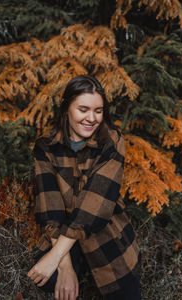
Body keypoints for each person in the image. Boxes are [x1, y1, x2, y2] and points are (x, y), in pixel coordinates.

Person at [28, 75, 141, 300]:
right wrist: (65, 266)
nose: (92, 118)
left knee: (123, 285)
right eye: (83, 109)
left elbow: (95, 207)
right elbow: (49, 207)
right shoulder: (45, 147)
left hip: (105, 231)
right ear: (66, 108)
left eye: (98, 111)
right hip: (64, 231)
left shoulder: (111, 141)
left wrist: (55, 257)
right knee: (48, 278)